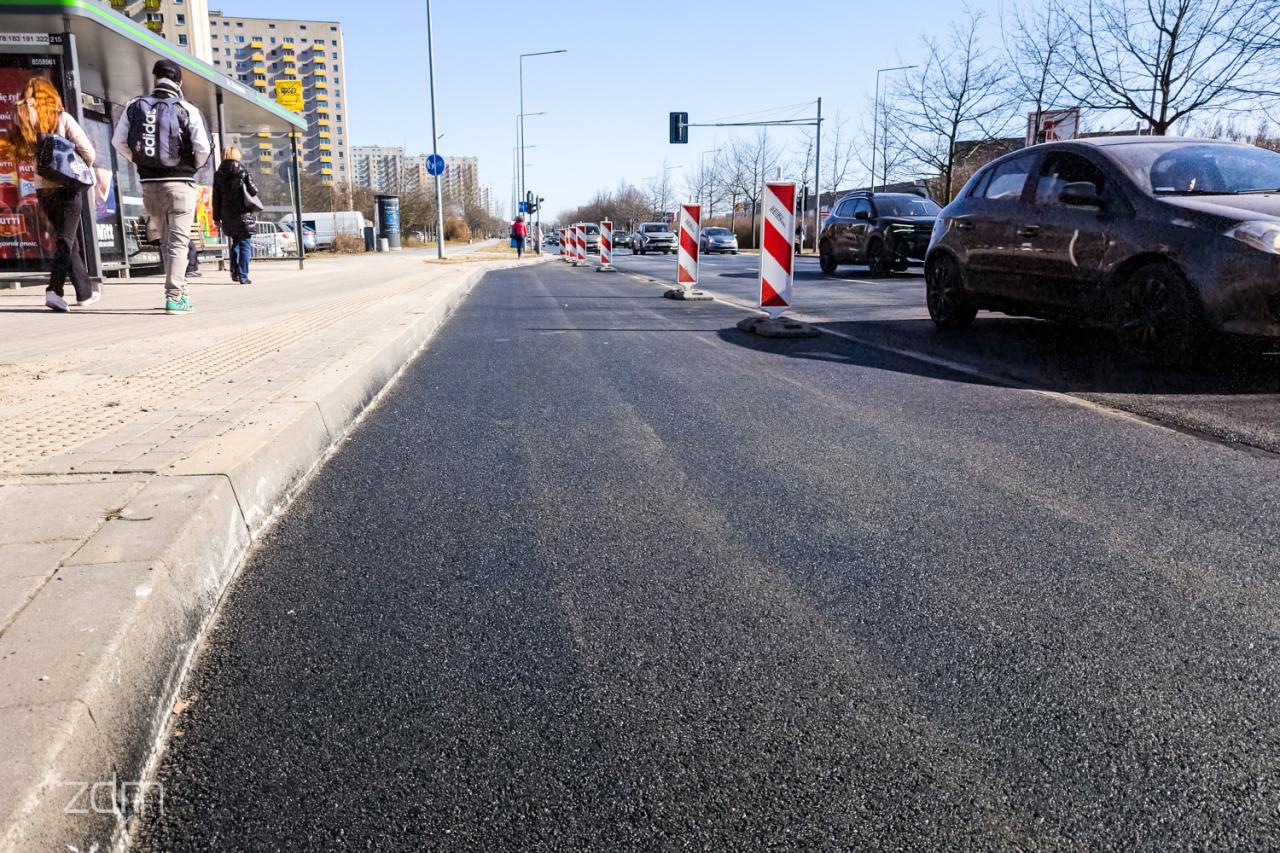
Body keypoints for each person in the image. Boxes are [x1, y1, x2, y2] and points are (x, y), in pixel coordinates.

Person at [112, 59, 211, 315]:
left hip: (149, 186)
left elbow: (118, 141)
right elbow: (203, 148)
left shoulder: (135, 106)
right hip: (180, 184)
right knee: (178, 241)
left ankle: (181, 292)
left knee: (167, 241)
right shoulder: (187, 108)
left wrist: (142, 162)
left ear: (155, 79)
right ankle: (175, 296)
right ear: (179, 82)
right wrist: (189, 168)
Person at [10, 77, 97, 312]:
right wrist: (78, 167)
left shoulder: (26, 123)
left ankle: (85, 293)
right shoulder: (62, 118)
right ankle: (54, 290)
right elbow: (89, 152)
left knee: (68, 238)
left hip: (43, 189)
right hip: (68, 186)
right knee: (65, 240)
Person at [211, 146, 258, 285]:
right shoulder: (243, 171)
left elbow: (216, 198)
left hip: (227, 215)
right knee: (245, 243)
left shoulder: (218, 174)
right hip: (243, 213)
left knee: (235, 242)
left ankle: (235, 273)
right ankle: (243, 276)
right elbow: (253, 191)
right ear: (237, 155)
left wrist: (216, 217)